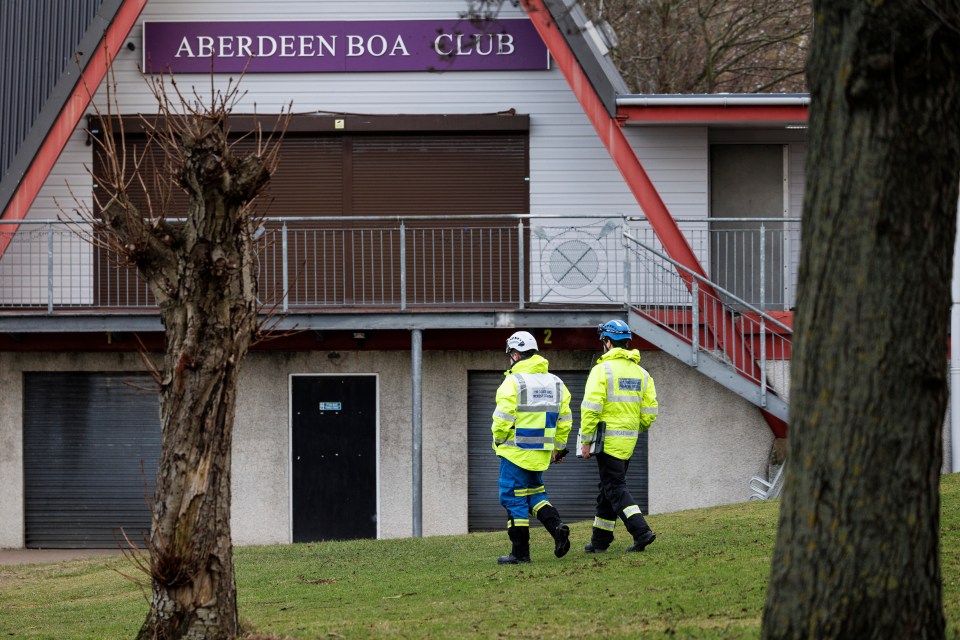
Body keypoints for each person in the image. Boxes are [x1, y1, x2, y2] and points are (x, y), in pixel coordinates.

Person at [491, 330, 573, 564]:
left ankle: (520, 553)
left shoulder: (513, 381)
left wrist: (498, 438)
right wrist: (559, 448)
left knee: (513, 499)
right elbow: (565, 419)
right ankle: (557, 528)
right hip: (541, 454)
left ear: (516, 355)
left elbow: (503, 417)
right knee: (536, 494)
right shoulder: (556, 382)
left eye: (510, 355)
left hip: (515, 453)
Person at [578, 319, 659, 553]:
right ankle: (600, 541)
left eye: (603, 341)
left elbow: (591, 408)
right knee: (607, 489)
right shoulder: (642, 374)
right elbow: (650, 412)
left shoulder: (601, 370)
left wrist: (585, 441)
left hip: (606, 443)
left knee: (615, 488)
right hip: (628, 441)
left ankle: (641, 531)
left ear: (608, 342)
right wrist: (635, 427)